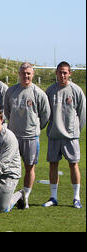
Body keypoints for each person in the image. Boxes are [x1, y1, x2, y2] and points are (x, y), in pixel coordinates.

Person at [4, 62, 51, 209]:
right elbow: (7, 111)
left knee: (30, 167)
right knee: (10, 167)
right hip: (13, 137)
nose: (26, 76)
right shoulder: (11, 91)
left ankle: (26, 196)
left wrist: (35, 128)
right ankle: (9, 195)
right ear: (19, 74)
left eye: (29, 73)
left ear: (33, 74)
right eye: (23, 73)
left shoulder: (39, 93)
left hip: (31, 137)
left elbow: (46, 115)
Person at [43, 61, 86, 209]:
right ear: (56, 73)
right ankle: (53, 197)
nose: (62, 75)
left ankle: (76, 198)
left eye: (65, 72)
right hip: (54, 135)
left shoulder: (76, 90)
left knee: (73, 165)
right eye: (60, 72)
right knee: (53, 165)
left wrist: (75, 131)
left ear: (70, 74)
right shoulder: (50, 91)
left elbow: (82, 113)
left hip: (71, 136)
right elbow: (45, 112)